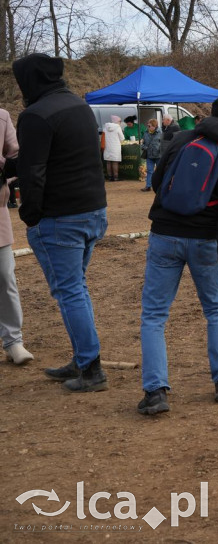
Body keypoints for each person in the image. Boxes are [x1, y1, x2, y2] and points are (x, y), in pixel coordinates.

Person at [136, 93, 218, 415]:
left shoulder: (183, 139)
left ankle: (155, 392)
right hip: (206, 243)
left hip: (165, 235)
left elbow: (158, 182)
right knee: (215, 310)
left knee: (154, 316)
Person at [14, 53, 108, 392]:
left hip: (60, 218)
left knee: (70, 292)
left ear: (30, 81)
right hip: (94, 211)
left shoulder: (36, 115)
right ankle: (83, 358)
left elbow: (32, 170)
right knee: (76, 289)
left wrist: (30, 214)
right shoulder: (78, 106)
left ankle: (91, 369)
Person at [0, 107, 32, 365]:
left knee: (4, 276)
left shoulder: (1, 117)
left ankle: (13, 341)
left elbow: (18, 156)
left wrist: (3, 176)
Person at [140, 118, 162, 192]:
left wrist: (161, 151)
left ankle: (160, 186)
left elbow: (164, 144)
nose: (148, 127)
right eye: (148, 126)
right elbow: (142, 144)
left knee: (159, 171)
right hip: (149, 155)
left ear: (154, 126)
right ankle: (148, 186)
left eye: (150, 126)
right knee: (149, 171)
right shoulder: (145, 133)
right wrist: (145, 147)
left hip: (159, 156)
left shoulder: (161, 133)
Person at [102, 115, 125, 181]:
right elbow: (122, 138)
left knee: (108, 162)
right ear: (117, 121)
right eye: (120, 121)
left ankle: (109, 177)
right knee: (115, 162)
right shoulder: (118, 127)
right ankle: (115, 177)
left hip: (107, 147)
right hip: (115, 147)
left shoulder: (105, 127)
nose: (120, 122)